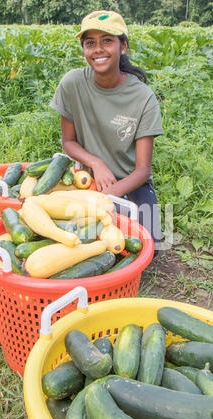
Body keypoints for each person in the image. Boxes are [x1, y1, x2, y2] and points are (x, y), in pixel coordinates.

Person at [50, 10, 164, 256]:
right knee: (69, 242)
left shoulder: (143, 98)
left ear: (123, 46)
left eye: (107, 41)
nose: (98, 49)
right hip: (86, 182)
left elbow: (143, 170)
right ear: (84, 49)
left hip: (129, 184)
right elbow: (68, 141)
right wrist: (96, 163)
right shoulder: (72, 84)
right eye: (90, 43)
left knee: (149, 246)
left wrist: (109, 196)